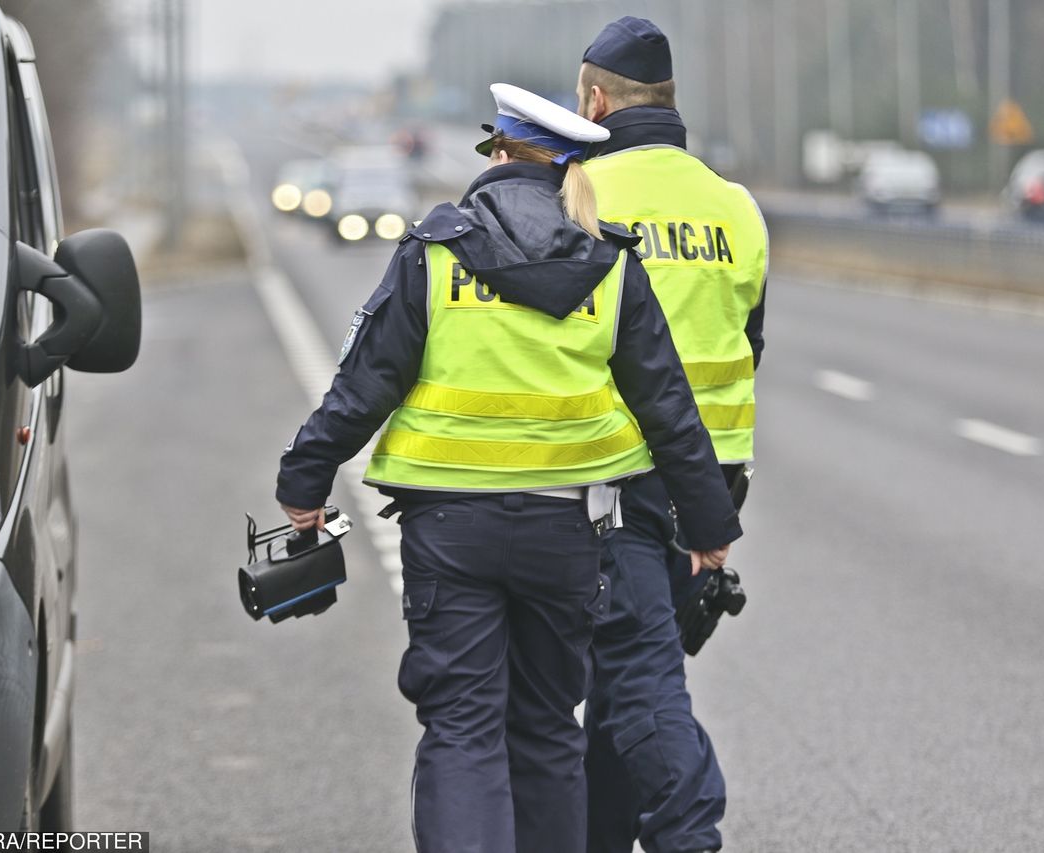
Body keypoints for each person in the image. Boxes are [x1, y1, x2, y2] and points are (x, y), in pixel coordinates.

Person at [277, 83, 741, 853]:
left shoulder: (437, 249)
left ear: (498, 153)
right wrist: (707, 523)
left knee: (462, 726)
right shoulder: (610, 265)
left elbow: (366, 381)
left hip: (451, 534)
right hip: (567, 532)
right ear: (568, 168)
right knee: (548, 730)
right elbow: (667, 404)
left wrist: (305, 478)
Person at [574, 17, 769, 853]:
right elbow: (749, 347)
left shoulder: (584, 192)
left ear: (594, 99)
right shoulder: (735, 207)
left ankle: (692, 835)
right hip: (711, 488)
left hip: (615, 479)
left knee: (637, 682)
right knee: (630, 683)